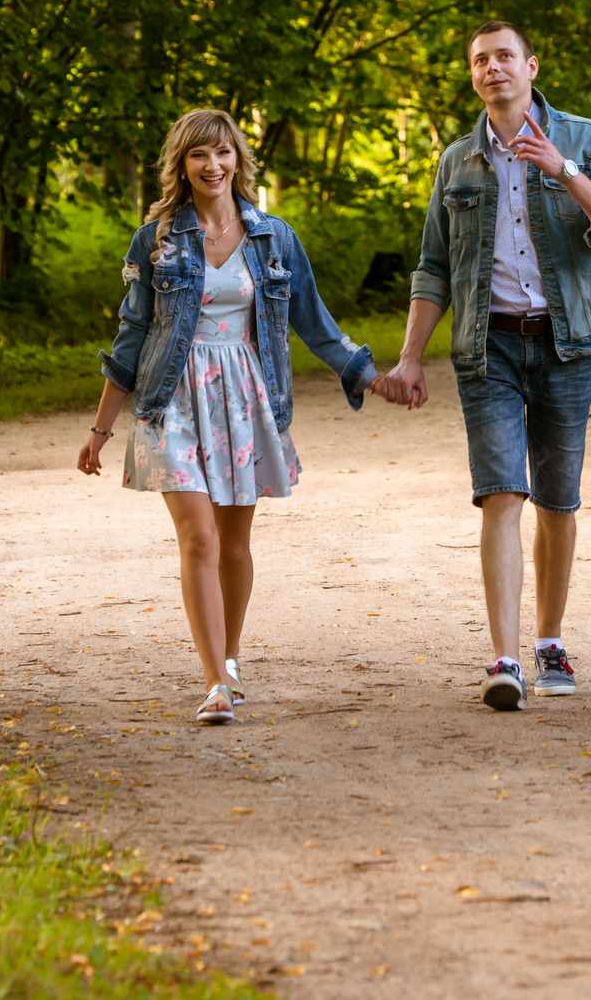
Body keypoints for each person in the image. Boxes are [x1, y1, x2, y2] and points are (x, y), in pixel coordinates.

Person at [375, 22, 591, 711]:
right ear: (473, 76)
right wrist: (409, 358)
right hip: (486, 345)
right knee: (501, 493)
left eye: (504, 57)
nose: (492, 68)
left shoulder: (584, 138)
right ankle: (504, 660)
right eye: (479, 60)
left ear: (531, 66)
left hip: (566, 343)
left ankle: (549, 641)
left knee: (557, 500)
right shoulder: (457, 161)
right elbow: (434, 267)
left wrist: (562, 169)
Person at [78, 108, 378, 725]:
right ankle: (215, 681)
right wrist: (101, 430)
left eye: (222, 152)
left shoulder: (274, 238)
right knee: (199, 537)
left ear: (238, 159)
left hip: (244, 398)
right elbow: (131, 334)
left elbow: (314, 321)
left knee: (234, 544)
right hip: (171, 397)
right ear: (181, 164)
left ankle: (230, 662)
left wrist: (368, 374)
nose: (212, 165)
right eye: (198, 154)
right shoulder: (156, 239)